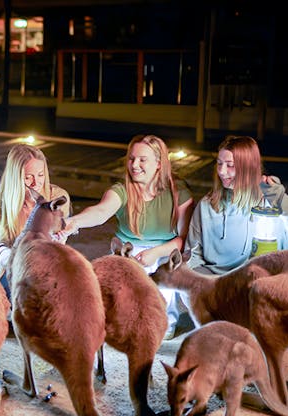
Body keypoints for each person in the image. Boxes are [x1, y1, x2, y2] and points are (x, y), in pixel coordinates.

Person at [63, 134, 194, 340]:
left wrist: (155, 252)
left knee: (163, 279)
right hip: (129, 251)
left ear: (159, 164)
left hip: (164, 252)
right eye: (132, 159)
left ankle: (166, 319)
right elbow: (101, 211)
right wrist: (74, 222)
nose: (135, 165)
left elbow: (184, 238)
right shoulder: (122, 189)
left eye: (143, 160)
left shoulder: (179, 193)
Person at [185, 135, 288, 274]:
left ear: (248, 167)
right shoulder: (207, 205)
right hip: (214, 284)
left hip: (255, 282)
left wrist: (281, 201)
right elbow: (192, 255)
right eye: (219, 163)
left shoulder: (267, 205)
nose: (221, 171)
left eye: (230, 165)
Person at [0, 144, 70, 301]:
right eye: (28, 177)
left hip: (49, 267)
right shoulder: (3, 203)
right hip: (16, 271)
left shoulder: (56, 196)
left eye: (40, 175)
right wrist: (15, 260)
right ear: (15, 178)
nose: (35, 183)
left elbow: (60, 240)